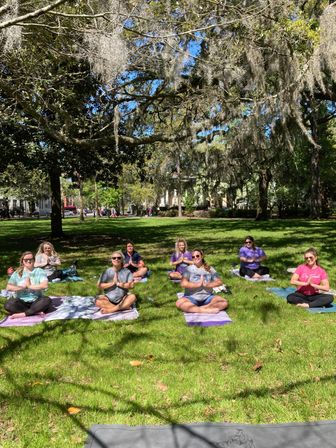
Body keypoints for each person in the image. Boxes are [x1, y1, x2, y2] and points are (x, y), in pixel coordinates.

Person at [176, 249, 228, 314]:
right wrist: (197, 285)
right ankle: (204, 310)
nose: (195, 258)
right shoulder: (188, 269)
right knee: (179, 303)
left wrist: (207, 285)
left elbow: (219, 282)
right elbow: (183, 283)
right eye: (193, 257)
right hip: (191, 297)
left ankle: (201, 308)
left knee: (223, 302)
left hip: (208, 297)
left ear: (202, 256)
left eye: (197, 256)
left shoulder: (210, 269)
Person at [5, 251, 52, 319]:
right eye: (26, 260)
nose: (29, 261)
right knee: (8, 304)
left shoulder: (39, 271)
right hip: (21, 302)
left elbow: (45, 285)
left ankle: (24, 314)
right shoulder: (17, 273)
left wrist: (30, 286)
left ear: (34, 260)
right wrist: (23, 287)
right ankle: (34, 312)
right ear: (22, 261)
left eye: (31, 259)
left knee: (47, 300)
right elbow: (8, 287)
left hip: (36, 301)